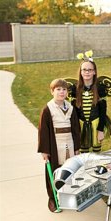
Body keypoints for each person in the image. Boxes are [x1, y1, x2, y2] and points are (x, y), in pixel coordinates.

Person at [38, 78, 80, 212]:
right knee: (55, 172)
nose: (62, 92)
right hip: (55, 144)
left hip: (69, 143)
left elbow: (75, 128)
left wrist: (77, 147)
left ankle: (67, 196)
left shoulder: (70, 107)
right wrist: (44, 150)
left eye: (64, 89)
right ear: (52, 91)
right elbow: (43, 130)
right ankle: (53, 198)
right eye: (58, 89)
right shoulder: (48, 109)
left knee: (68, 170)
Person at [70, 55, 108, 153]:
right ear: (81, 72)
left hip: (96, 123)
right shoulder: (75, 89)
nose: (87, 72)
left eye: (90, 70)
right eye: (84, 70)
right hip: (81, 124)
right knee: (83, 151)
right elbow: (73, 112)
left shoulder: (100, 88)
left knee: (96, 152)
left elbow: (103, 112)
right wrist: (76, 130)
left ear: (94, 72)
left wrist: (100, 130)